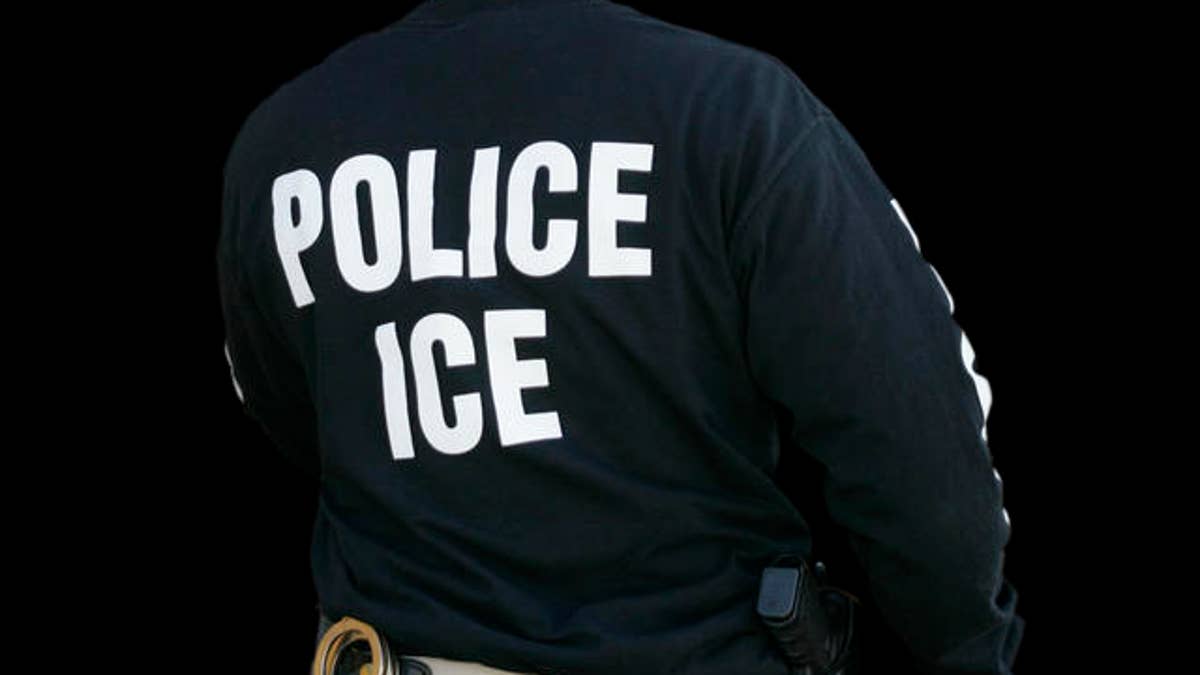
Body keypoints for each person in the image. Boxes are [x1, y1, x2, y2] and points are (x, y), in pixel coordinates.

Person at [216, 0, 1025, 673]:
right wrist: (973, 647)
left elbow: (304, 420)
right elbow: (922, 456)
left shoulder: (281, 148)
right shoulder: (733, 113)